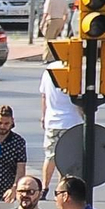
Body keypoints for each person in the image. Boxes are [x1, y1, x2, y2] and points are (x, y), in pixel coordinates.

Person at [38, 64, 82, 194]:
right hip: (72, 122)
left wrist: (44, 116)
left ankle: (44, 188)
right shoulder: (73, 69)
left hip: (53, 121)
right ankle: (61, 189)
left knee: (50, 156)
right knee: (66, 159)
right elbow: (77, 97)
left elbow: (44, 96)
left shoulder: (48, 70)